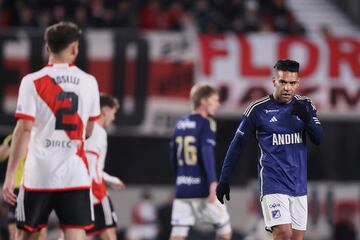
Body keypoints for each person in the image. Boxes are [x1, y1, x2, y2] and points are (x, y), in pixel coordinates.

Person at [2, 21, 100, 240]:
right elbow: (89, 130)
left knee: (26, 234)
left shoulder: (31, 82)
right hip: (74, 173)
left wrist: (10, 176)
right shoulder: (89, 82)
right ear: (75, 47)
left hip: (39, 174)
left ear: (48, 48)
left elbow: (23, 130)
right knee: (75, 233)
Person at [216, 59, 324, 240]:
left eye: (291, 83)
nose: (287, 88)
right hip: (272, 183)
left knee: (295, 238)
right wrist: (224, 179)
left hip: (298, 185)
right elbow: (238, 144)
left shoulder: (305, 106)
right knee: (283, 233)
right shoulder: (258, 110)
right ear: (274, 81)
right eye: (283, 82)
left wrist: (306, 119)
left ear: (298, 83)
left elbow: (319, 139)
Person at [169, 83, 232, 240]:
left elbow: (172, 156)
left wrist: (179, 181)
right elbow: (206, 151)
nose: (217, 104)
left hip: (183, 188)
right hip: (202, 188)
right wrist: (212, 182)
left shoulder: (180, 124)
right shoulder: (206, 123)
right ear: (204, 101)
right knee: (225, 229)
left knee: (177, 235)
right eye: (215, 100)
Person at [85, 93, 126, 239]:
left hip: (79, 188)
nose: (113, 118)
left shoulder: (87, 128)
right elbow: (89, 164)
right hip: (93, 190)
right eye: (113, 113)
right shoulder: (97, 131)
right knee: (108, 233)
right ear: (105, 111)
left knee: (72, 232)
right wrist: (97, 189)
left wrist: (110, 179)